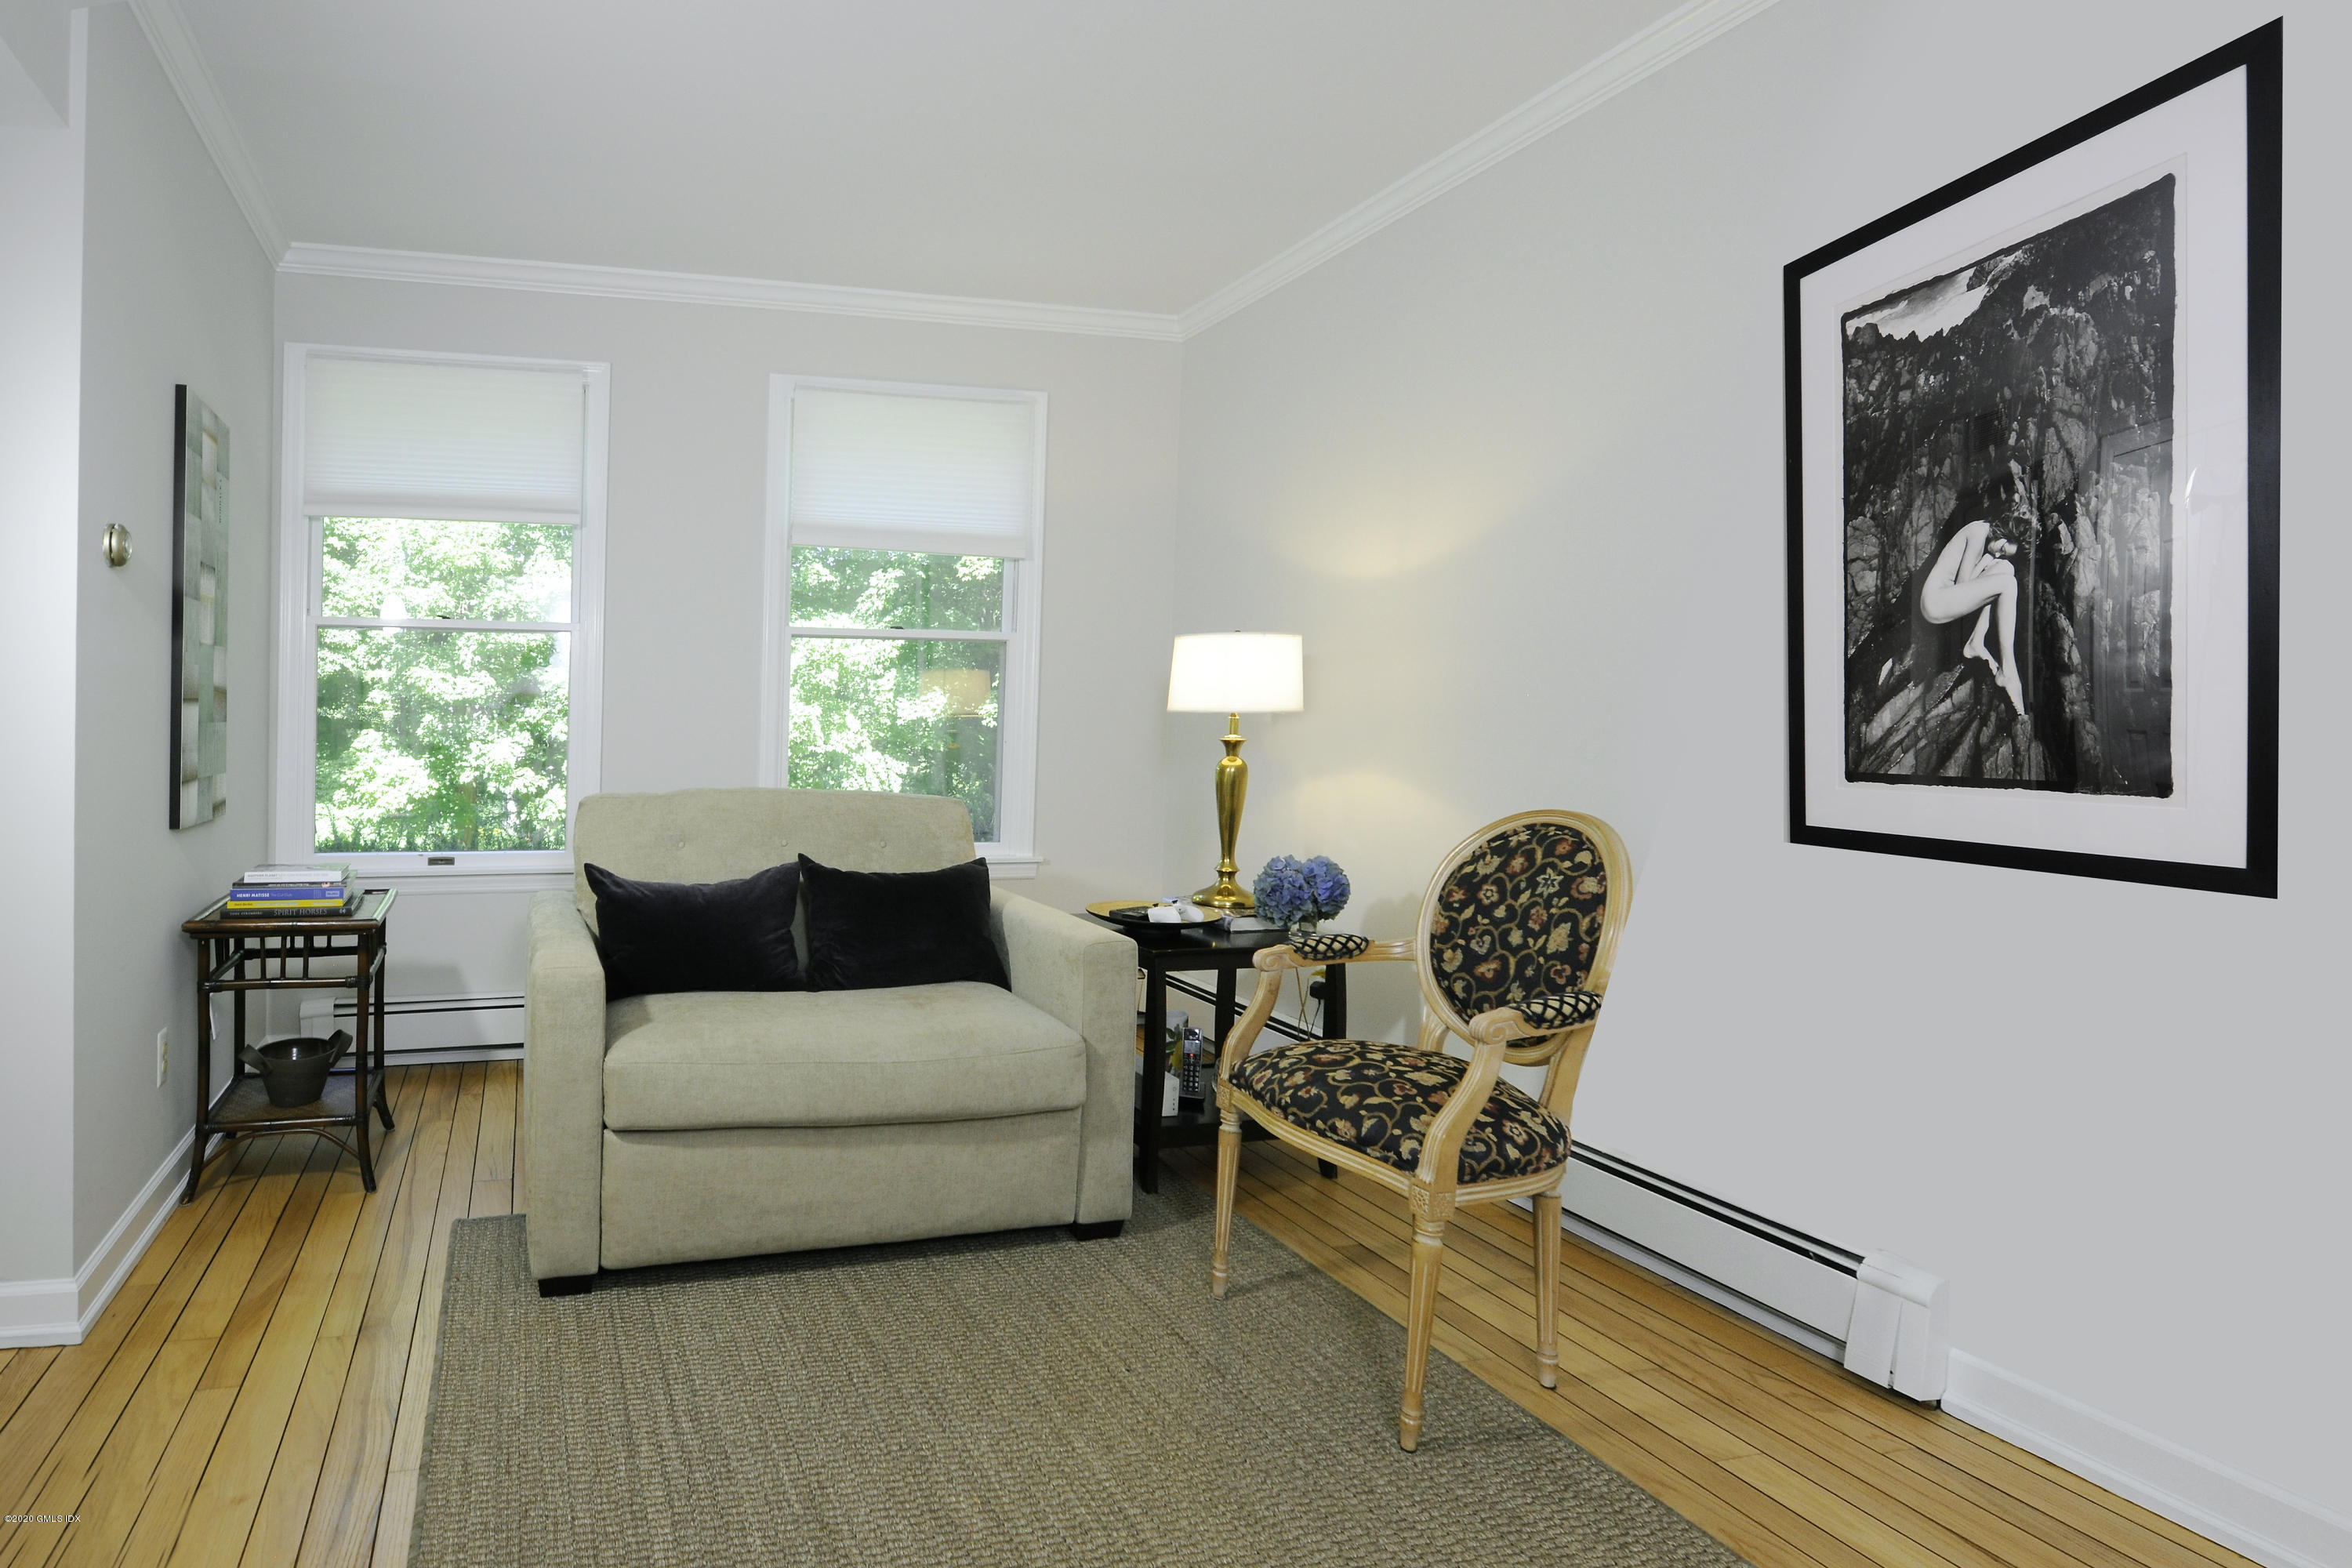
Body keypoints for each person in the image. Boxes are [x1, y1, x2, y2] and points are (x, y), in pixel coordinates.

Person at [1919, 503, 2026, 717]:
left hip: (1944, 600)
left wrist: (1993, 561)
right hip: (1935, 602)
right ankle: (2008, 671)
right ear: (2004, 533)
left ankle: (1976, 641)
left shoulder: (1986, 534)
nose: (1998, 554)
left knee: (2007, 568)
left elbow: (1970, 589)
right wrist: (1987, 561)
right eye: (2002, 550)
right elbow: (1962, 585)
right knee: (2008, 584)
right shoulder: (1979, 532)